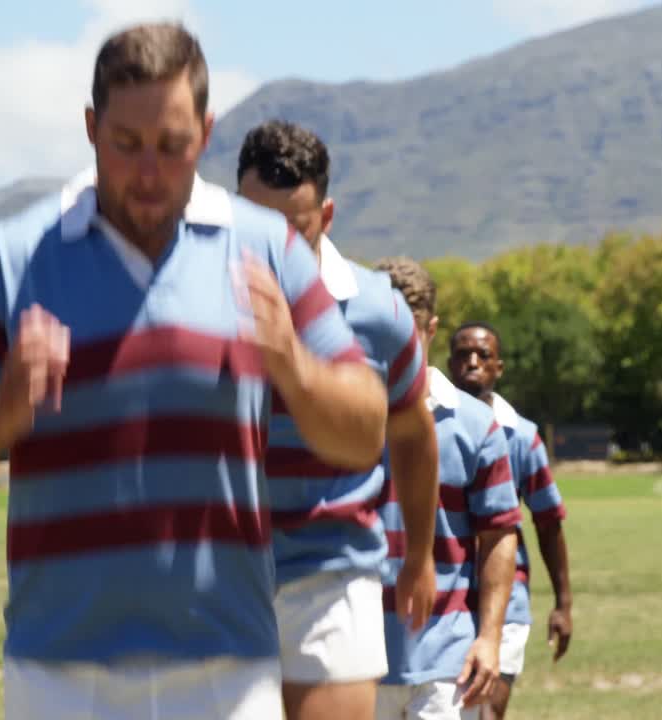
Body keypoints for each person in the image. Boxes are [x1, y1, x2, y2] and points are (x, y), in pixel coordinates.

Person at [0, 22, 389, 720]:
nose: (150, 172)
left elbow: (364, 430)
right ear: (91, 129)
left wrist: (297, 371)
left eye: (173, 145)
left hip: (229, 672)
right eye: (126, 145)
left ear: (207, 133)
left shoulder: (266, 249)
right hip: (60, 674)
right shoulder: (16, 257)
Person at [236, 120, 440, 720]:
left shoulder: (378, 311)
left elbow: (413, 437)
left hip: (333, 571)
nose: (271, 245)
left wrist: (421, 557)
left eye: (292, 228)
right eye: (254, 225)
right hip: (221, 574)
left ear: (326, 216)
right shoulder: (197, 293)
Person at [373, 256, 520, 720]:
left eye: (408, 331)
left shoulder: (476, 425)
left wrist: (490, 637)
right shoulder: (339, 417)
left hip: (446, 667)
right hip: (355, 659)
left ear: (431, 330)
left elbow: (499, 534)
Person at [446, 322, 572, 720]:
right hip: (446, 598)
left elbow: (548, 522)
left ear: (499, 367)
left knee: (486, 711)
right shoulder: (428, 427)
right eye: (463, 354)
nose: (472, 362)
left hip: (507, 598)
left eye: (483, 355)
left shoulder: (522, 436)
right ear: (448, 364)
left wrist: (563, 603)